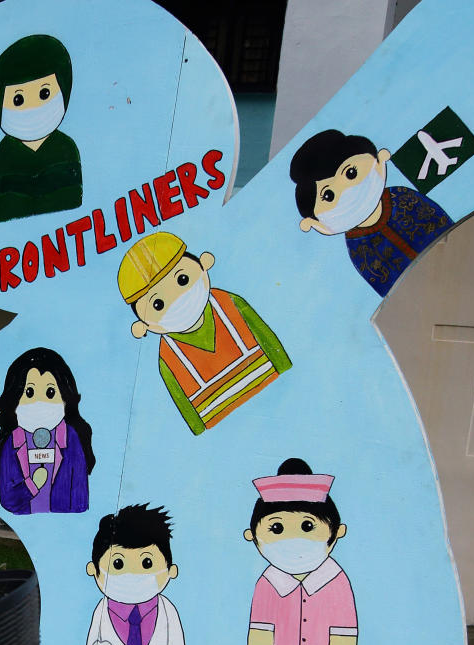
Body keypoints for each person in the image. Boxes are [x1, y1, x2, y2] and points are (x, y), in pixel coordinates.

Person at [117, 231, 291, 436]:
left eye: (182, 279)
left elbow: (272, 345)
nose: (177, 300)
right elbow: (189, 415)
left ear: (204, 264)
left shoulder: (230, 304)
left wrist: (287, 373)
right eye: (158, 304)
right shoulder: (169, 357)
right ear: (142, 327)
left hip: (281, 400)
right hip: (227, 435)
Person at [289, 129, 453, 297]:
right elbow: (387, 289)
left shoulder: (401, 196)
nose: (347, 191)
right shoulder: (356, 245)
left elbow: (446, 227)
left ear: (378, 160)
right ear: (314, 220)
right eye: (328, 195)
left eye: (351, 173)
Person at [244, 458, 357, 645]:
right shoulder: (267, 584)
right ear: (252, 535)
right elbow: (259, 643)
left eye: (307, 526)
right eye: (276, 529)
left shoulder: (337, 583)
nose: (292, 541)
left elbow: (345, 643)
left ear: (337, 531)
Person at [83, 504, 185, 645]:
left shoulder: (169, 613)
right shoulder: (100, 614)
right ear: (93, 570)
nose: (132, 574)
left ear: (171, 570)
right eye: (118, 564)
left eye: (147, 563)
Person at [0, 34, 82, 223]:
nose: (33, 108)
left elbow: (73, 202)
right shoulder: (4, 154)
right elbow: (1, 209)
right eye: (18, 99)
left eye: (44, 93)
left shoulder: (66, 147)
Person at [0, 347, 94, 515]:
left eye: (50, 392)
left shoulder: (71, 439)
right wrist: (32, 485)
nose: (39, 402)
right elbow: (7, 499)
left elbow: (80, 499)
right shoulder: (12, 442)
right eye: (29, 392)